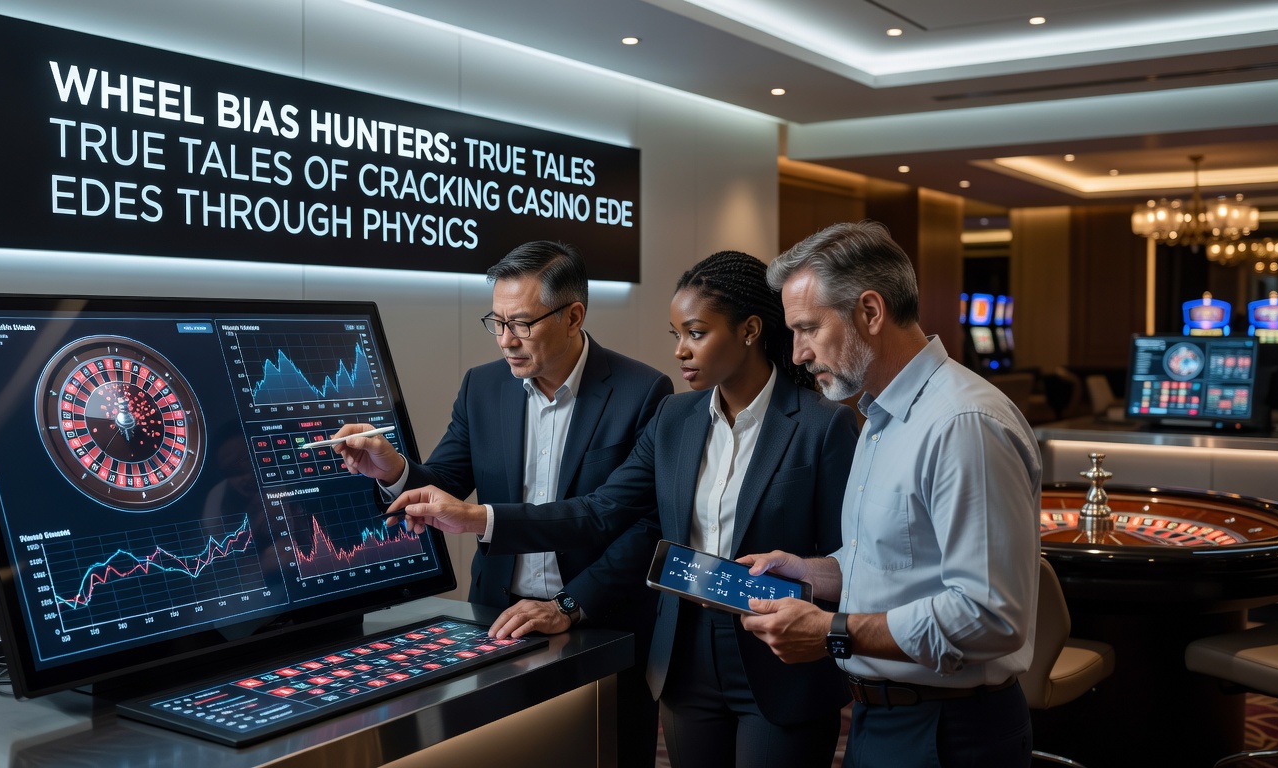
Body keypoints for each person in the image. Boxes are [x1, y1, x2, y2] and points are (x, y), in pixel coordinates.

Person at [387, 251, 859, 768]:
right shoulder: (674, 417)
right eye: (675, 334)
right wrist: (480, 518)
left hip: (779, 656)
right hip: (684, 653)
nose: (680, 351)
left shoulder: (823, 425)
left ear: (749, 330)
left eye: (696, 333)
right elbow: (600, 511)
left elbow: (849, 563)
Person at [328, 240, 671, 768]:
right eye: (497, 322)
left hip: (600, 622)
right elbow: (445, 479)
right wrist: (394, 471)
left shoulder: (643, 392)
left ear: (574, 315)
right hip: (497, 621)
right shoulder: (482, 388)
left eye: (522, 324)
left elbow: (641, 526)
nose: (505, 341)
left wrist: (568, 606)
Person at [737, 220, 1042, 768]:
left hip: (949, 730)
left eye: (807, 328)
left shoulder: (962, 422)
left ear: (871, 313)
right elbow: (894, 560)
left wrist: (830, 631)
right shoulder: (879, 416)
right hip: (882, 718)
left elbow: (989, 616)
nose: (799, 354)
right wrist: (811, 572)